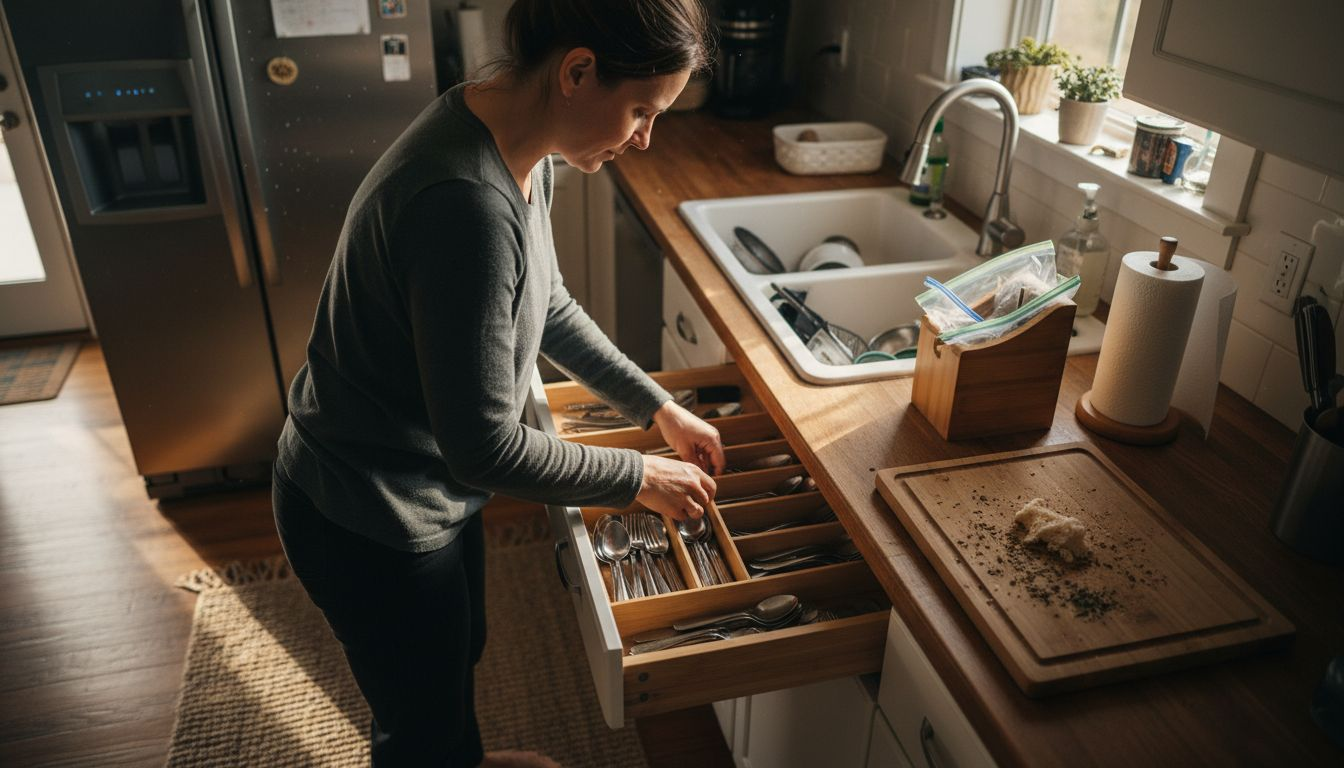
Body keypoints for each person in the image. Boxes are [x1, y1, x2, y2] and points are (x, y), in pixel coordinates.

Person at [270, 0, 717, 765]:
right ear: (578, 72)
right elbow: (481, 448)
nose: (645, 138)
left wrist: (657, 405)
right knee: (417, 723)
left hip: (417, 488)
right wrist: (636, 474)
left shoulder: (515, 140)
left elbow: (547, 304)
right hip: (366, 510)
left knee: (455, 654)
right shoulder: (466, 206)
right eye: (642, 110)